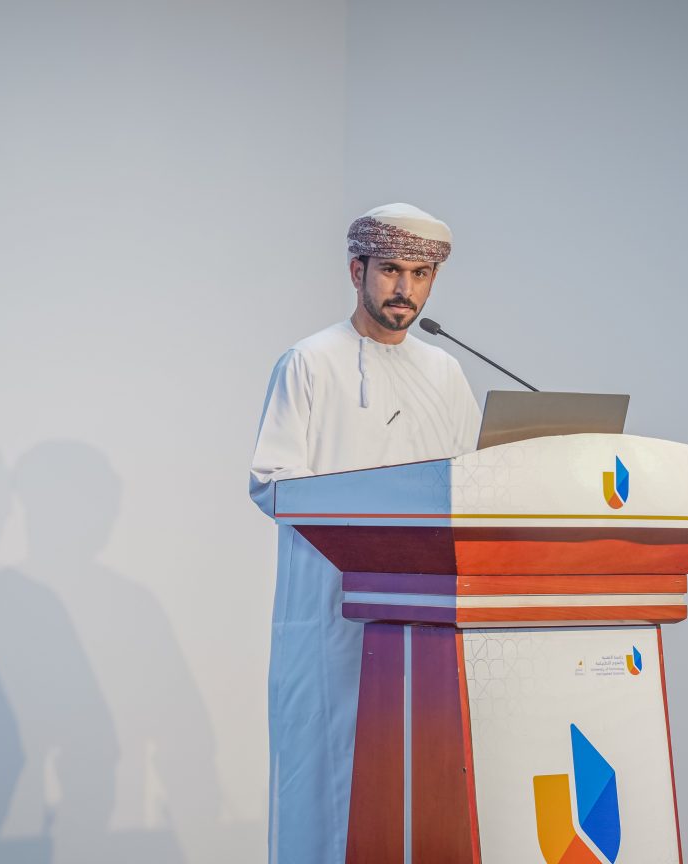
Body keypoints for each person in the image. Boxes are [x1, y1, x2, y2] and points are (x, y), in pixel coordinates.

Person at [249, 203, 482, 863]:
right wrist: (369, 517)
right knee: (325, 775)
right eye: (390, 271)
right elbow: (271, 480)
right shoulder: (308, 362)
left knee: (416, 780)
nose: (404, 289)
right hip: (332, 608)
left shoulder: (445, 372)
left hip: (423, 617)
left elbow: (474, 480)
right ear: (357, 271)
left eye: (419, 274)